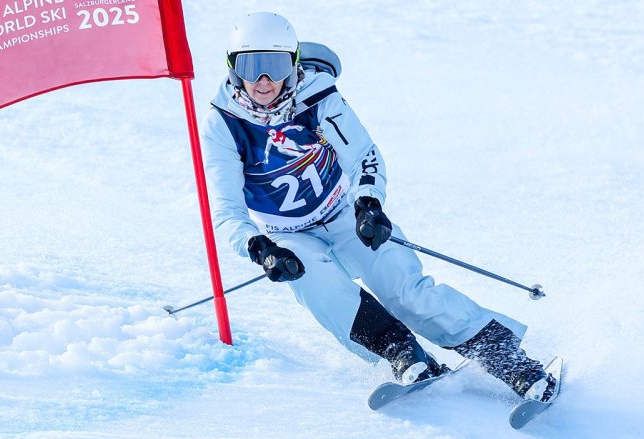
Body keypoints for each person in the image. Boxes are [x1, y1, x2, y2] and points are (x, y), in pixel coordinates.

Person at [201, 12, 556, 401]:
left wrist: (368, 203)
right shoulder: (224, 124)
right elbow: (227, 211)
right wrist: (260, 248)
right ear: (234, 68)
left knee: (406, 290)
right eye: (252, 67)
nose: (264, 81)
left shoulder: (318, 97)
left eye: (275, 65)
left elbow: (362, 155)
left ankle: (511, 361)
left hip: (342, 213)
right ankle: (403, 353)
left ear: (294, 63)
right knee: (322, 292)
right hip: (288, 233)